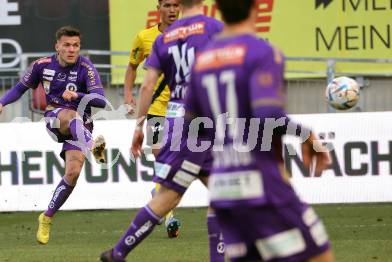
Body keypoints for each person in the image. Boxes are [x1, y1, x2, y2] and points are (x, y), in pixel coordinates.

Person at [184, 1, 335, 261]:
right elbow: (268, 116)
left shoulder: (202, 61)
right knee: (320, 255)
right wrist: (306, 134)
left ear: (218, 8)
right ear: (256, 7)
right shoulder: (262, 52)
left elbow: (191, 125)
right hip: (262, 187)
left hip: (222, 190)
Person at [100, 1, 224, 261]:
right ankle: (119, 253)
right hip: (201, 123)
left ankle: (118, 253)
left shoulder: (165, 38)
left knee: (221, 194)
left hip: (181, 121)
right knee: (172, 196)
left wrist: (138, 126)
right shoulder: (215, 29)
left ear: (181, 5)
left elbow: (146, 87)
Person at [0, 26, 107, 245]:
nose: (72, 50)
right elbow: (19, 88)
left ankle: (46, 217)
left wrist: (78, 94)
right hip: (55, 117)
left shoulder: (86, 67)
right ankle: (94, 146)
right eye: (67, 45)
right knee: (70, 115)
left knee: (72, 173)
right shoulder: (42, 65)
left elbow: (100, 99)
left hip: (82, 125)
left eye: (76, 45)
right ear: (57, 47)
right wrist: (0, 102)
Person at [123, 0, 181, 238]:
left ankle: (159, 195)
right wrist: (128, 93)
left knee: (174, 162)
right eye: (167, 5)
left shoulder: (190, 35)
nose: (172, 10)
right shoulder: (144, 37)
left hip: (183, 108)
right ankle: (169, 216)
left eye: (176, 5)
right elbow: (132, 66)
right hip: (156, 108)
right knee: (160, 156)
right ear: (158, 7)